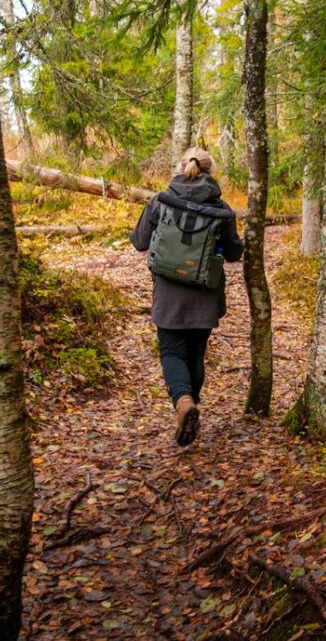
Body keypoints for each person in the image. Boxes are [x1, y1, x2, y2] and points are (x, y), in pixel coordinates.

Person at [130, 147, 243, 446]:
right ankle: (192, 404)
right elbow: (233, 253)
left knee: (171, 352)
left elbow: (139, 242)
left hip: (169, 293)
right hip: (205, 294)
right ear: (210, 172)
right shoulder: (222, 208)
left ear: (181, 168)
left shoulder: (160, 200)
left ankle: (183, 403)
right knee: (195, 353)